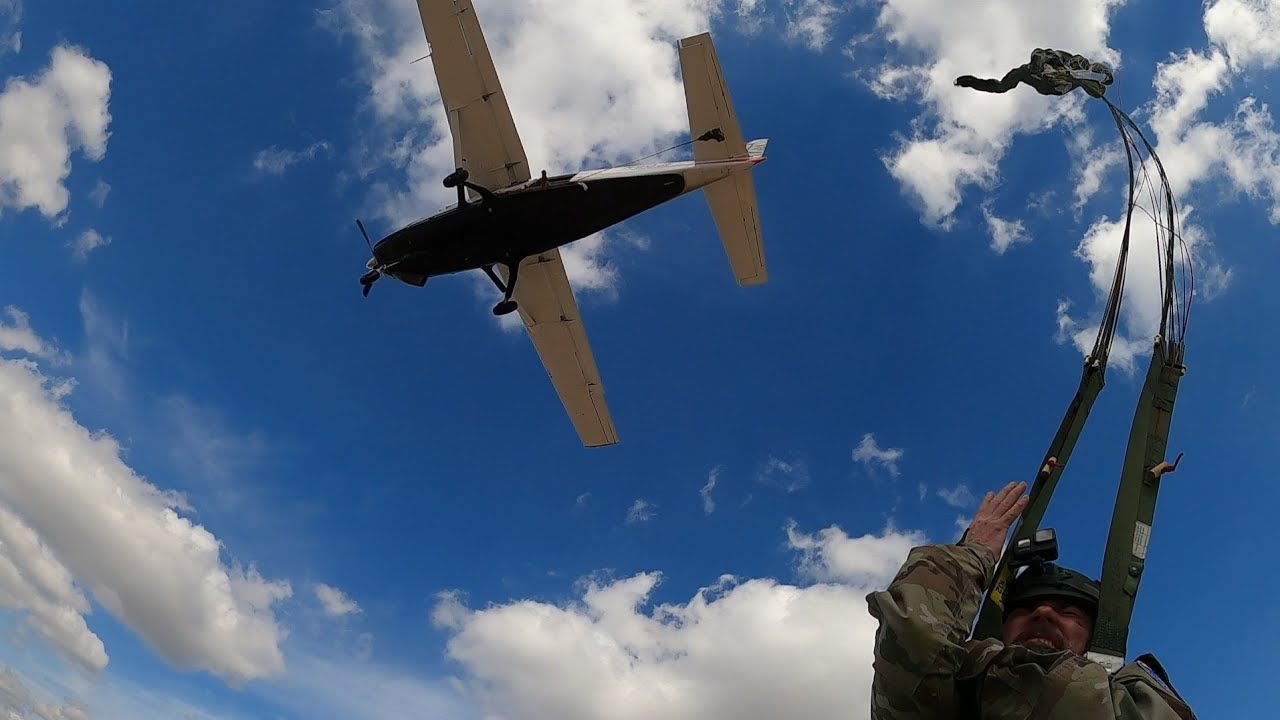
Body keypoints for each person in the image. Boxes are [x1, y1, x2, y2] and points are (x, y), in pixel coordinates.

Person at [865, 481, 1198, 719]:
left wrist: (988, 666)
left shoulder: (1137, 698)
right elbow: (913, 642)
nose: (1042, 612)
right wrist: (974, 553)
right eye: (1023, 608)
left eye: (1068, 611)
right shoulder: (955, 697)